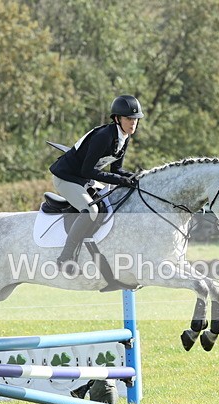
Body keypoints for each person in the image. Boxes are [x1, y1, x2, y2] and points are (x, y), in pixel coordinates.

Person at [49, 94, 143, 275]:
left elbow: (117, 169)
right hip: (66, 177)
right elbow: (87, 171)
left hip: (83, 178)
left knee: (113, 202)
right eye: (129, 119)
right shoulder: (103, 136)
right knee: (90, 211)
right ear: (117, 119)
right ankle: (65, 259)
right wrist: (121, 180)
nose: (133, 123)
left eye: (136, 119)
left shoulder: (124, 137)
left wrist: (137, 177)